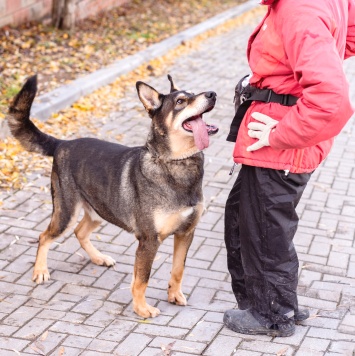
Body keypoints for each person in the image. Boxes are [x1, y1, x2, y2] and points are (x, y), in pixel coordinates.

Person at [223, 0, 355, 337]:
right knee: (245, 216)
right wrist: (291, 68)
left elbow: (332, 98)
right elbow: (348, 35)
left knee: (265, 228)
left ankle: (271, 315)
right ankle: (279, 302)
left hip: (281, 143)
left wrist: (280, 132)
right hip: (281, 135)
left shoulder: (299, 9)